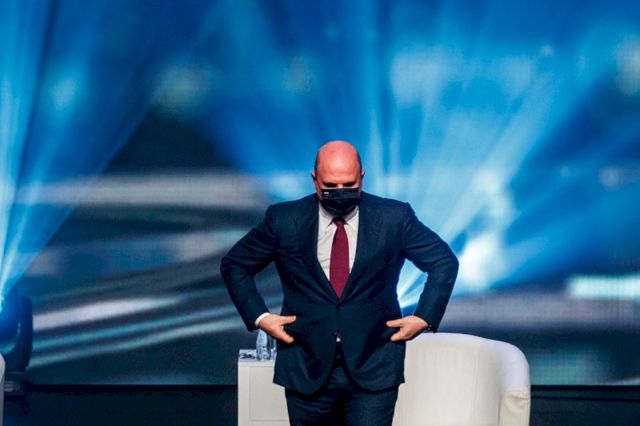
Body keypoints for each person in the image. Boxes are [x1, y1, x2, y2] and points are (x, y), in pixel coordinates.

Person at [221, 140, 458, 426]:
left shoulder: (394, 218)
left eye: (349, 185)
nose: (340, 192)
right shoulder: (284, 219)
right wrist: (260, 317)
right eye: (330, 186)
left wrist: (424, 317)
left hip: (374, 362)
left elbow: (443, 261)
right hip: (306, 363)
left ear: (362, 177)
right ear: (314, 180)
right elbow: (236, 264)